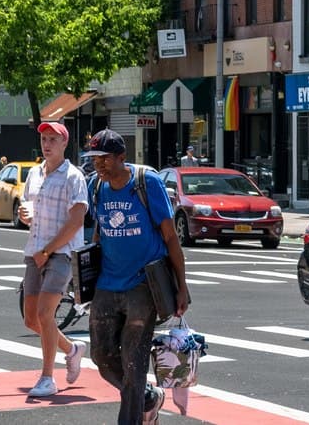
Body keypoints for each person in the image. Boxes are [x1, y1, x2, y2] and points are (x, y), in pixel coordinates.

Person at [84, 129, 190, 425]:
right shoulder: (96, 186)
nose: (99, 165)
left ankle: (132, 414)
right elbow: (99, 231)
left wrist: (182, 287)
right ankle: (148, 398)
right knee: (102, 357)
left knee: (134, 364)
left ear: (122, 157)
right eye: (94, 159)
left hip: (144, 284)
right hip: (107, 282)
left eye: (105, 158)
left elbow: (170, 237)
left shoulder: (147, 183)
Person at [21, 122, 90, 399]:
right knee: (31, 319)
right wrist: (25, 216)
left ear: (64, 143)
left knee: (45, 314)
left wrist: (48, 250)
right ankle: (72, 350)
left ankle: (47, 377)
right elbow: (28, 210)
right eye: (43, 139)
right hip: (34, 251)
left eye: (52, 139)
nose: (46, 144)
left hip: (60, 253)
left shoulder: (73, 177)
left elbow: (76, 221)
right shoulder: (34, 174)